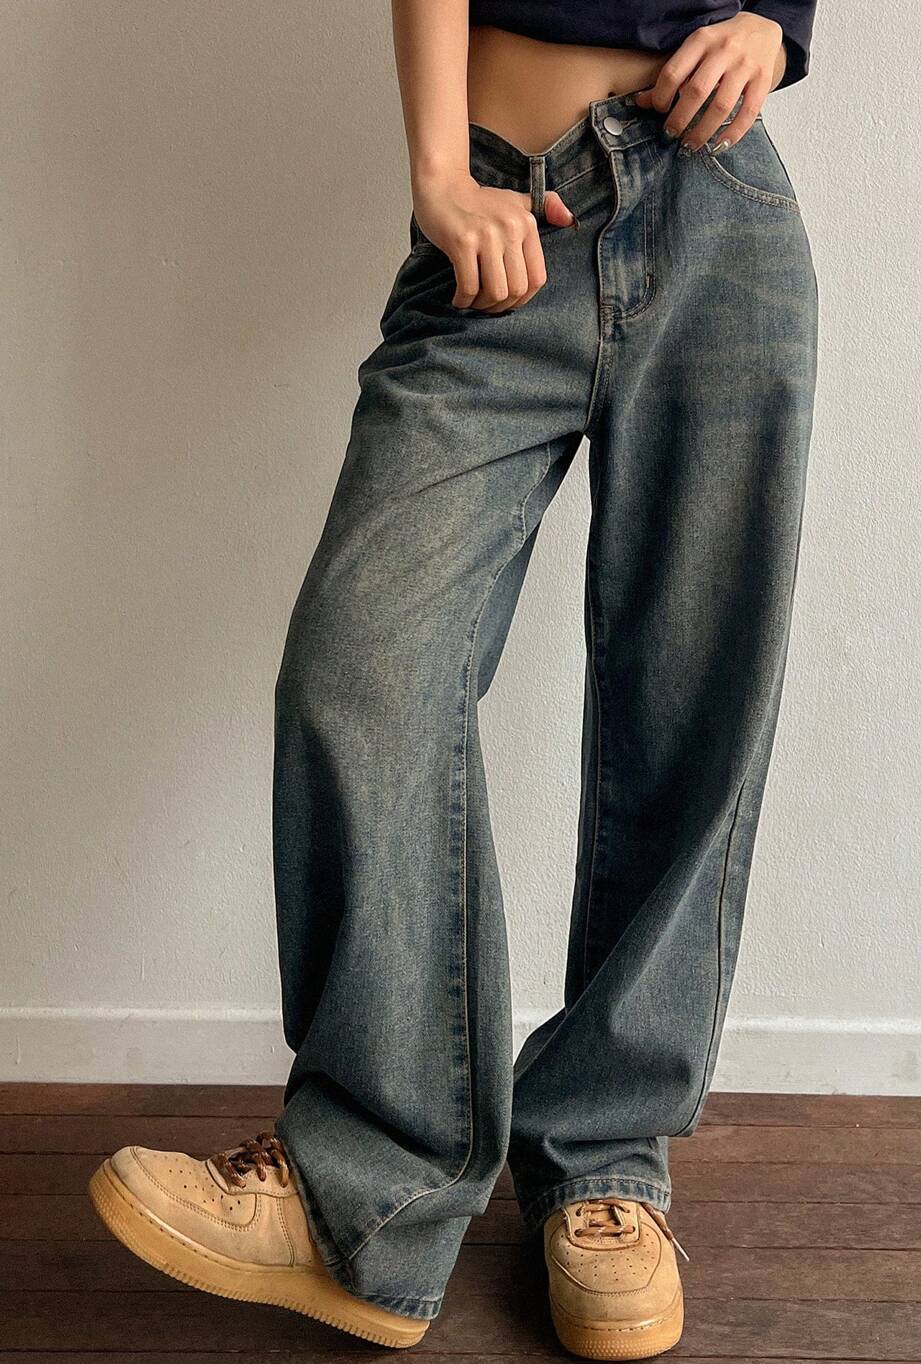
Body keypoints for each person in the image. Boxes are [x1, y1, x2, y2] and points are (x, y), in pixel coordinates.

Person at [88, 1, 819, 1357]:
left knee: (689, 705)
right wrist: (437, 166)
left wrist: (777, 19)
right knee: (362, 667)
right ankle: (375, 1184)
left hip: (721, 207)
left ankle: (605, 1163)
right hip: (499, 218)